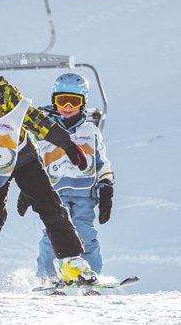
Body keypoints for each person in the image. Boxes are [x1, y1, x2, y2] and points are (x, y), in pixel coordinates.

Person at [0, 38, 96, 297]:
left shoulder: (4, 92)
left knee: (49, 204)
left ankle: (71, 261)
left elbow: (32, 118)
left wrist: (65, 143)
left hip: (23, 157)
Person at [22, 73, 113, 285]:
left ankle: (90, 275)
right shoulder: (45, 132)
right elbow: (34, 162)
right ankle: (48, 277)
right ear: (55, 101)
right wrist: (28, 190)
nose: (68, 106)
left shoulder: (90, 131)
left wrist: (106, 186)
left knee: (85, 233)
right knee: (52, 235)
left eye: (75, 101)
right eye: (62, 100)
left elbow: (102, 161)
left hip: (84, 194)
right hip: (54, 194)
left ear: (83, 103)